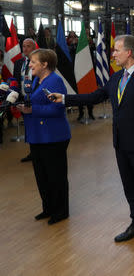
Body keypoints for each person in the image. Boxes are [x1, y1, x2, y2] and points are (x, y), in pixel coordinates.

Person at [49, 35, 134, 249]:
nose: (113, 54)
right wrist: (64, 99)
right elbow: (94, 97)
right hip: (120, 143)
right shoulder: (115, 78)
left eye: (117, 50)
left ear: (129, 52)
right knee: (129, 187)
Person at [17, 48, 71, 225]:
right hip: (38, 135)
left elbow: (57, 109)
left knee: (56, 176)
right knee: (42, 176)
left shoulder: (54, 80)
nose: (30, 64)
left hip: (53, 136)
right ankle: (48, 208)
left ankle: (61, 211)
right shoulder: (37, 80)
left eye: (33, 62)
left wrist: (32, 110)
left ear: (45, 64)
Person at [13, 38, 36, 162]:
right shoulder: (18, 63)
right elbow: (16, 81)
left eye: (28, 46)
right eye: (23, 46)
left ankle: (39, 151)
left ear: (34, 48)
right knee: (28, 126)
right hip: (23, 99)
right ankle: (33, 152)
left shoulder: (38, 62)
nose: (25, 49)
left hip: (35, 99)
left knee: (37, 125)